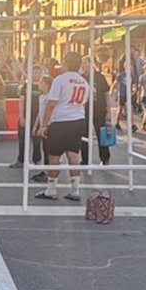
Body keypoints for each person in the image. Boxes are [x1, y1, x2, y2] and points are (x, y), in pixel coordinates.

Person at [36, 50, 89, 201]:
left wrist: (44, 125)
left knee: (54, 155)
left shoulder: (60, 80)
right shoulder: (84, 82)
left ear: (65, 63)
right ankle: (75, 190)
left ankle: (51, 189)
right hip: (78, 119)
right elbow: (83, 103)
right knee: (74, 154)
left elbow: (51, 103)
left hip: (61, 120)